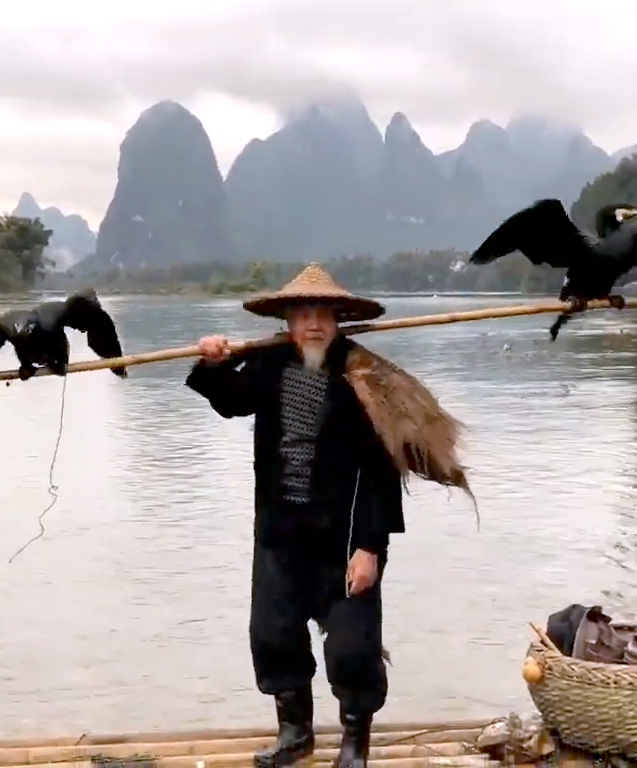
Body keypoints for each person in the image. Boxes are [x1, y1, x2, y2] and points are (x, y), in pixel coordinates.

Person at [185, 263, 475, 768]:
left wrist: (372, 546)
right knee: (274, 636)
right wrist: (212, 363)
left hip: (344, 540)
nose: (314, 325)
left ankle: (354, 744)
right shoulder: (269, 365)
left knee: (353, 647)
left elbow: (385, 471)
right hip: (280, 534)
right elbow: (230, 402)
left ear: (339, 320)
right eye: (303, 315)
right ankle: (295, 734)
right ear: (289, 321)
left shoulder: (364, 378)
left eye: (323, 315)